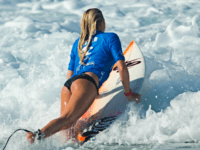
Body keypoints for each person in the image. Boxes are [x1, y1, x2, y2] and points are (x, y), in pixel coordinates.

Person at [26, 8, 141, 143]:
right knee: (66, 121)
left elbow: (70, 74)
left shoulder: (78, 43)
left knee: (69, 133)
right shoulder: (110, 37)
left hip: (69, 86)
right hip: (86, 83)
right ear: (102, 22)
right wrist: (128, 94)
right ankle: (36, 136)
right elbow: (122, 67)